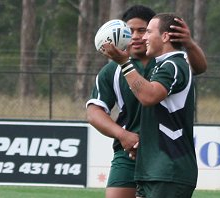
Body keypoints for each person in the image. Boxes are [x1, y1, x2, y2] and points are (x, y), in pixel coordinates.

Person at [86, 5, 207, 198]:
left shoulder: (169, 63)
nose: (137, 36)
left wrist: (189, 43)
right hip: (130, 153)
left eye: (144, 30)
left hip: (165, 157)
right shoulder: (112, 70)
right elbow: (94, 112)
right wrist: (123, 135)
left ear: (164, 35)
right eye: (129, 30)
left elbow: (198, 68)